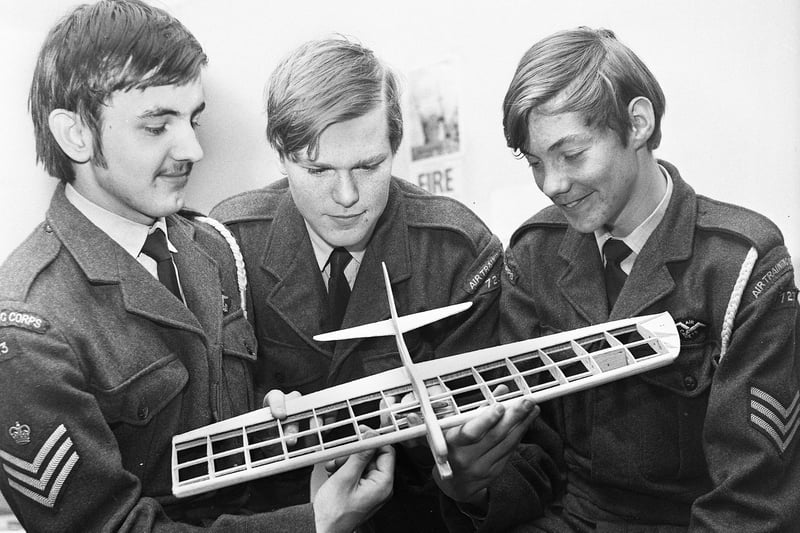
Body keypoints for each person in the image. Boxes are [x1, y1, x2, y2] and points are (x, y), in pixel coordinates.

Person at [0, 1, 394, 531]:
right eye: (157, 126)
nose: (192, 148)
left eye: (193, 119)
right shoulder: (28, 324)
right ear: (76, 135)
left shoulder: (211, 247)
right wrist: (312, 524)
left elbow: (216, 420)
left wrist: (274, 419)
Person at [440, 26, 800, 531]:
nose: (552, 185)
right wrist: (472, 483)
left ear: (636, 123)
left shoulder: (743, 264)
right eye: (535, 163)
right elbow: (534, 459)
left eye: (571, 154)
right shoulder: (534, 253)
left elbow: (753, 504)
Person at [209, 36, 524, 532]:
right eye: (317, 170)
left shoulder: (458, 252)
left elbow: (504, 460)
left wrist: (464, 465)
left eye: (369, 166)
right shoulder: (226, 245)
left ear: (395, 148)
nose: (347, 196)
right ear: (280, 155)